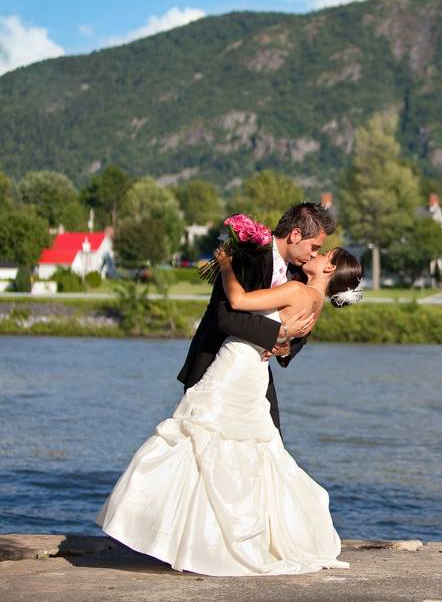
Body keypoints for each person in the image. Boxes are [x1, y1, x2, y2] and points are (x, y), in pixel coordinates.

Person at [96, 245, 363, 576]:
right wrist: (278, 341)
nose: (317, 254)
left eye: (325, 254)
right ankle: (210, 538)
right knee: (236, 448)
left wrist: (224, 264)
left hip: (236, 367)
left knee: (200, 437)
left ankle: (184, 536)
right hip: (251, 370)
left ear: (329, 269)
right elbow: (284, 339)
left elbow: (238, 302)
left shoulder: (297, 290)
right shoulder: (315, 303)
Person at [178, 203, 335, 437]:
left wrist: (285, 347)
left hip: (254, 371)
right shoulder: (248, 254)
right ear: (295, 235)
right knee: (202, 444)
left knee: (270, 445)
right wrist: (277, 332)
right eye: (314, 247)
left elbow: (300, 329)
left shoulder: (299, 275)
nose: (314, 254)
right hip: (216, 367)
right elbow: (224, 316)